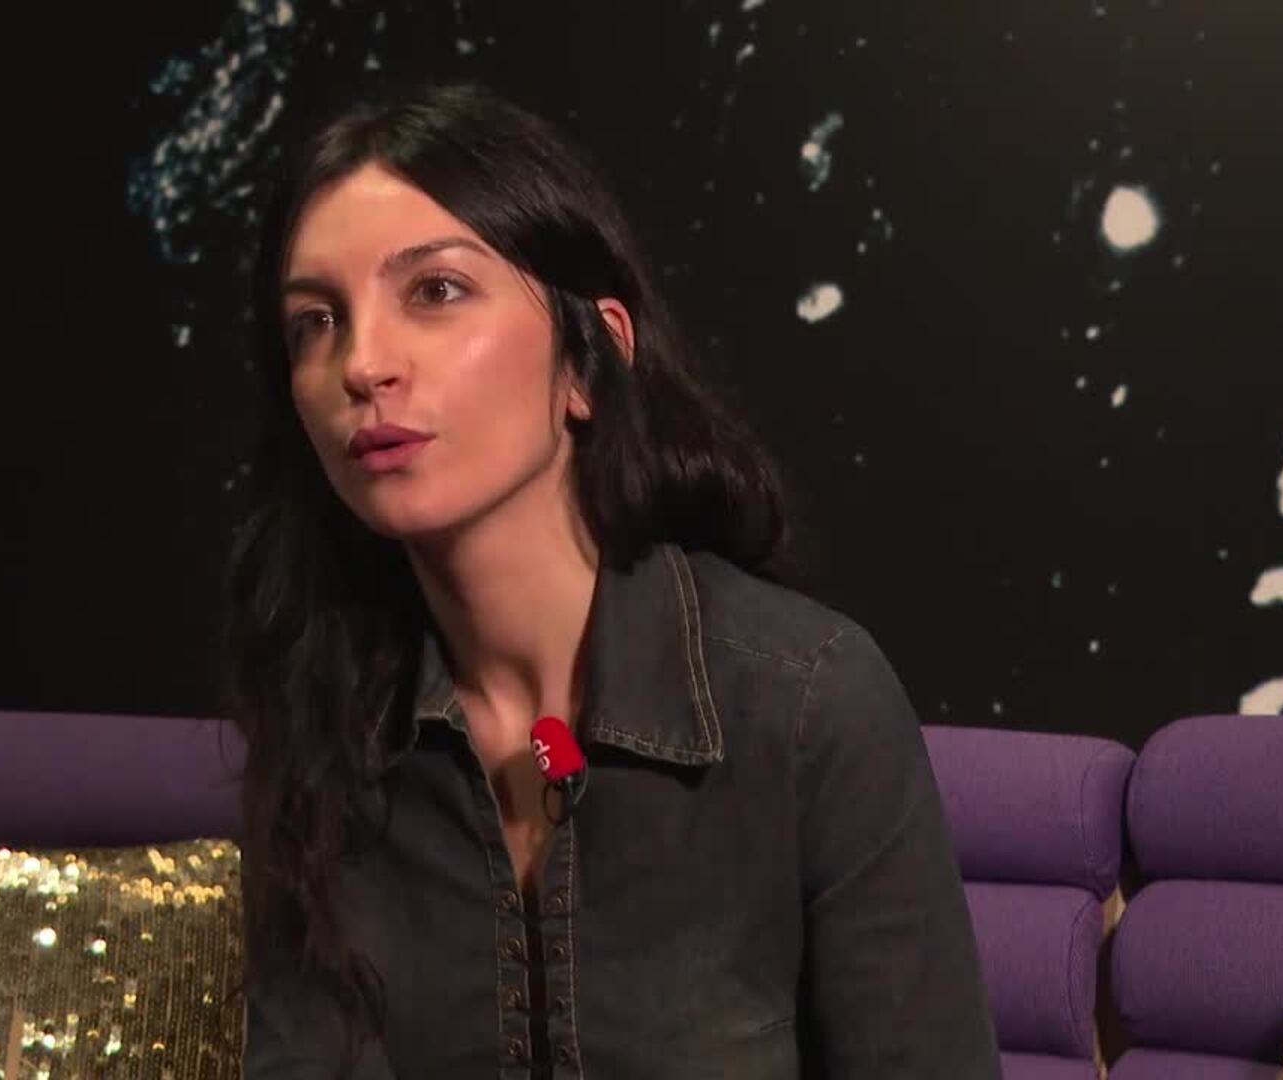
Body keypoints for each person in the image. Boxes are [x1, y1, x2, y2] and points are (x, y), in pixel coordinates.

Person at [223, 81, 999, 1078]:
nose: (362, 364)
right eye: (315, 322)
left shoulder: (805, 702)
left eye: (435, 290)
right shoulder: (325, 723)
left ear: (590, 359)